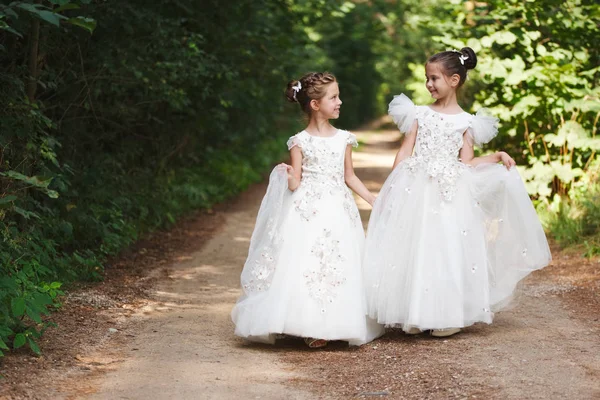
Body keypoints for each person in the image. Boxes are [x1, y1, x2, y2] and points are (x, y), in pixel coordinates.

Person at [363, 48, 552, 337]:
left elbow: (467, 162)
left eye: (434, 78)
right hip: (416, 188)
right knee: (415, 246)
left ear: (453, 80)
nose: (429, 84)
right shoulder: (419, 114)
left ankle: (445, 314)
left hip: (448, 192)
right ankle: (413, 311)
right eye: (427, 78)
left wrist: (497, 156)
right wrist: (392, 186)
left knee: (444, 248)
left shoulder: (467, 122)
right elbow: (405, 151)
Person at [232, 72, 384, 348]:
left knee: (338, 259)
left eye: (338, 96)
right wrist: (285, 174)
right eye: (334, 97)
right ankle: (304, 322)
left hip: (338, 207)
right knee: (303, 261)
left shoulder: (344, 139)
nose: (340, 102)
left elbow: (349, 177)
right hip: (307, 209)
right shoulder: (299, 141)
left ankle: (333, 322)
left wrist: (374, 200)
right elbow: (295, 183)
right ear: (315, 104)